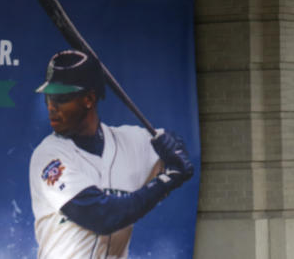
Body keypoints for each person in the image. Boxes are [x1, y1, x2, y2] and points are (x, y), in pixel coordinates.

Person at [29, 50, 194, 258]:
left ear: (89, 99)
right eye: (49, 97)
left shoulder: (129, 141)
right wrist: (167, 181)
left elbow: (172, 143)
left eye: (61, 98)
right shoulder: (49, 155)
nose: (51, 107)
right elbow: (103, 216)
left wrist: (175, 148)